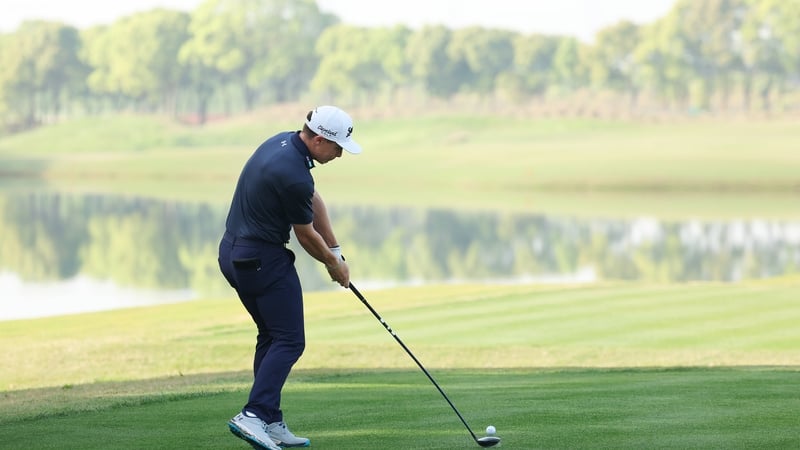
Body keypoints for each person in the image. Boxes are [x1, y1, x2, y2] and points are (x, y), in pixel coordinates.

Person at [218, 105, 361, 449]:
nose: (340, 154)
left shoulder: (283, 144)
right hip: (261, 259)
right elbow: (305, 234)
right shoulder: (293, 173)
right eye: (337, 146)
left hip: (233, 253)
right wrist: (333, 264)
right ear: (317, 138)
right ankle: (253, 415)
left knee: (271, 335)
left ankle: (269, 418)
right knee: (290, 340)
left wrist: (336, 248)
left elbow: (312, 199)